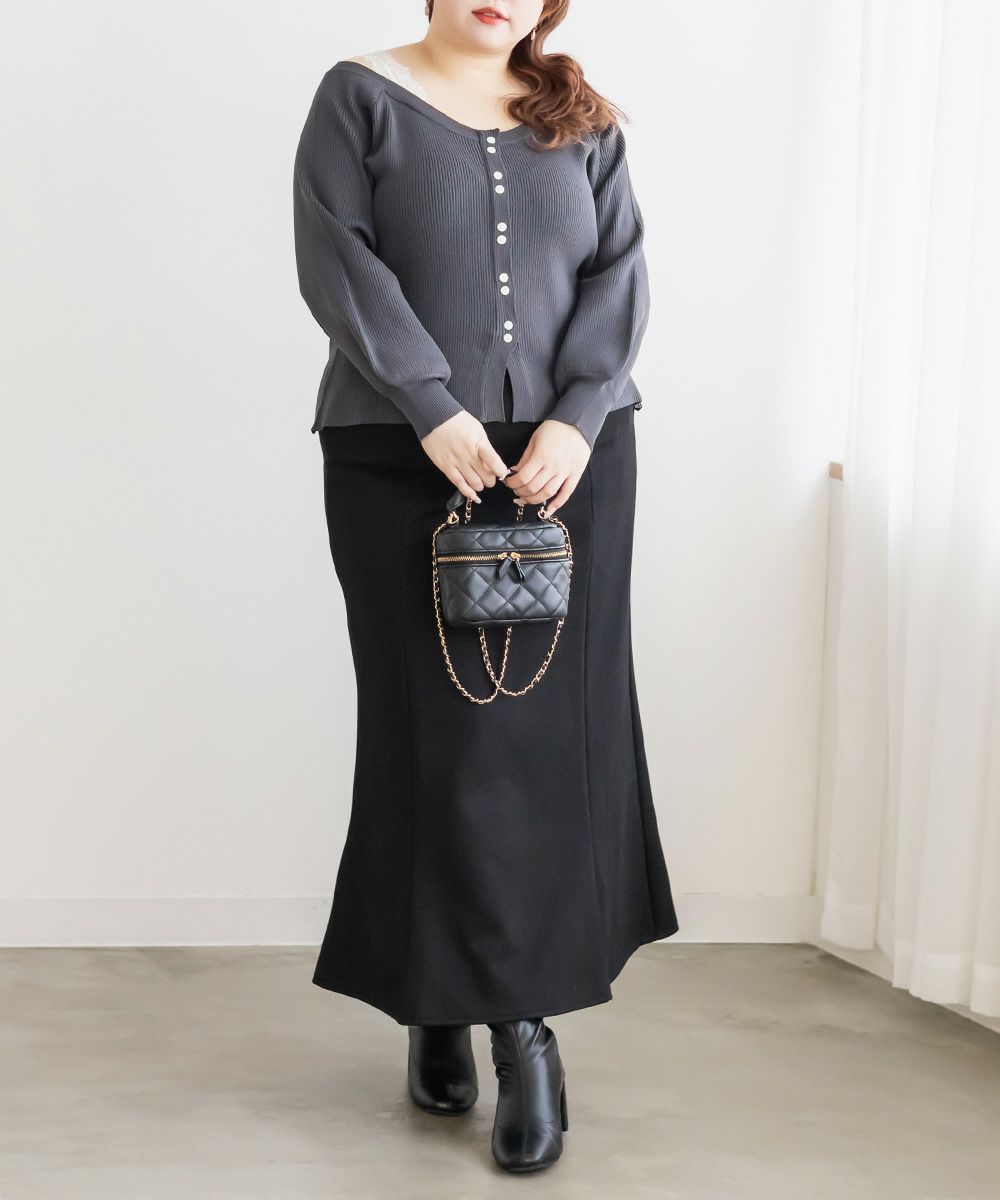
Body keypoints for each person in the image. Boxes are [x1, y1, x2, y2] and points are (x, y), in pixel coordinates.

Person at [292, 0, 679, 1174]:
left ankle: (520, 1025)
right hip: (402, 454)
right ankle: (443, 1000)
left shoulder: (582, 116)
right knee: (438, 740)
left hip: (570, 465)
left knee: (546, 747)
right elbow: (338, 260)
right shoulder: (358, 96)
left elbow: (619, 271)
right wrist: (429, 401)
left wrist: (579, 412)